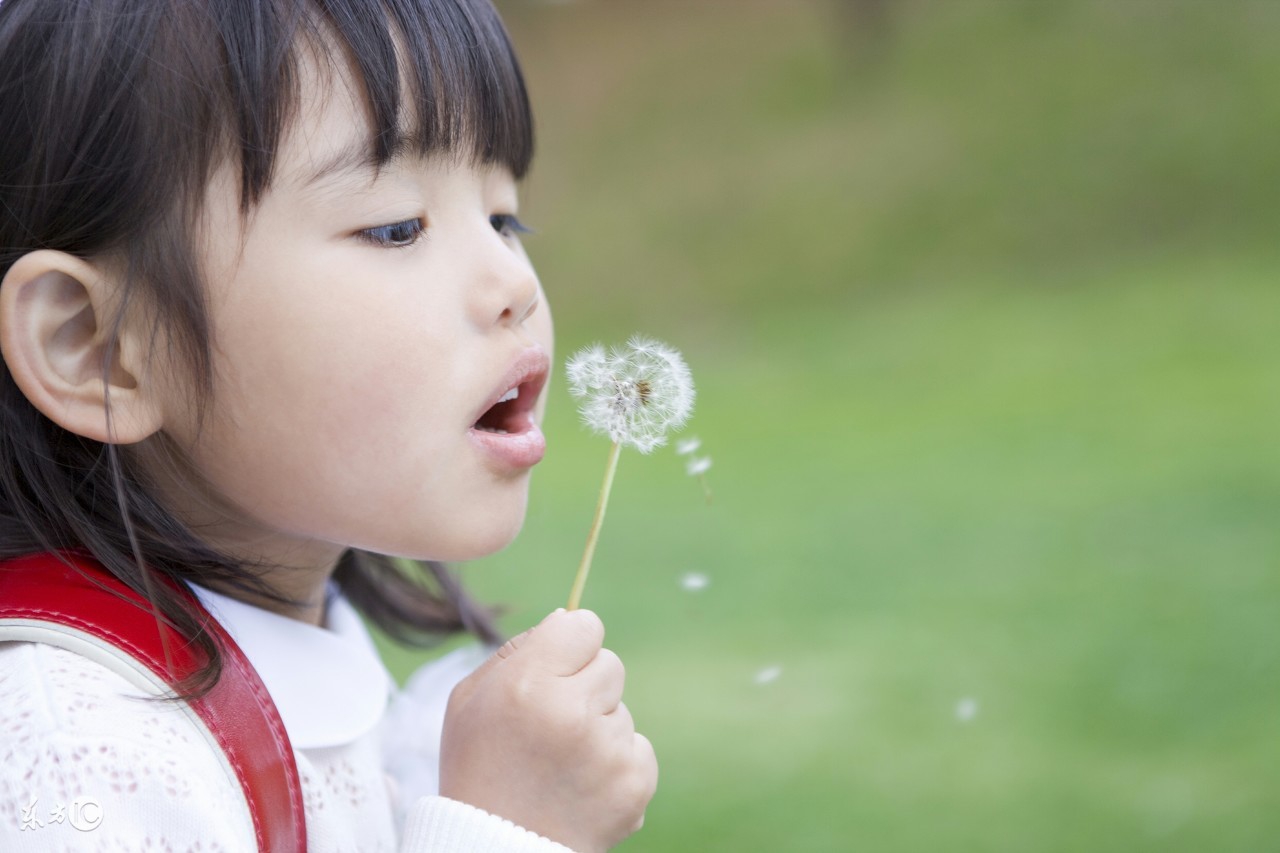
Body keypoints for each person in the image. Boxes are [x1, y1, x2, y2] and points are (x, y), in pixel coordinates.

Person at [0, 1, 658, 850]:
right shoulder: (73, 760)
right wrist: (503, 828)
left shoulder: (302, 644)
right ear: (98, 348)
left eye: (504, 219)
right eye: (396, 227)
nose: (514, 281)